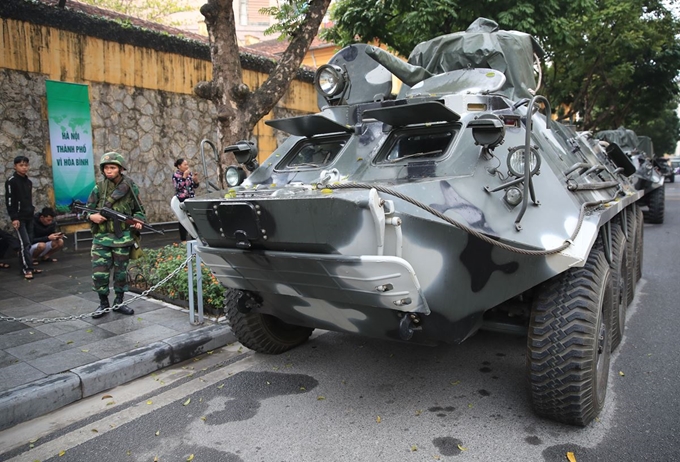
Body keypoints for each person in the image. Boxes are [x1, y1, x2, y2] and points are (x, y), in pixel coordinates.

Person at [85, 152, 146, 318]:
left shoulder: (130, 186)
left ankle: (119, 302)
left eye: (112, 167)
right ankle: (103, 304)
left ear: (120, 168)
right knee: (99, 274)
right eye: (106, 167)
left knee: (120, 274)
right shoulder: (99, 188)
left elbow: (140, 211)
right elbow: (84, 211)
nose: (109, 170)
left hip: (122, 238)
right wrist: (92, 216)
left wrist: (138, 221)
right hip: (101, 239)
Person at [4, 155, 42, 279]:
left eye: (26, 165)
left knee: (29, 242)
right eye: (21, 165)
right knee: (24, 242)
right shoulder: (11, 181)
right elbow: (10, 201)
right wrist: (14, 217)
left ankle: (27, 265)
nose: (24, 168)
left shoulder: (28, 182)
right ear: (15, 166)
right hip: (19, 217)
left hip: (29, 216)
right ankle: (27, 268)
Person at [172, 158, 199, 243]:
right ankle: (183, 239)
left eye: (187, 164)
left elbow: (194, 186)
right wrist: (184, 177)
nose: (187, 166)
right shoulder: (176, 175)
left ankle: (195, 237)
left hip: (191, 198)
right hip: (182, 198)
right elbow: (177, 187)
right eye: (185, 165)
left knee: (193, 218)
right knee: (183, 218)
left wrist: (195, 180)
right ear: (179, 166)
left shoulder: (189, 174)